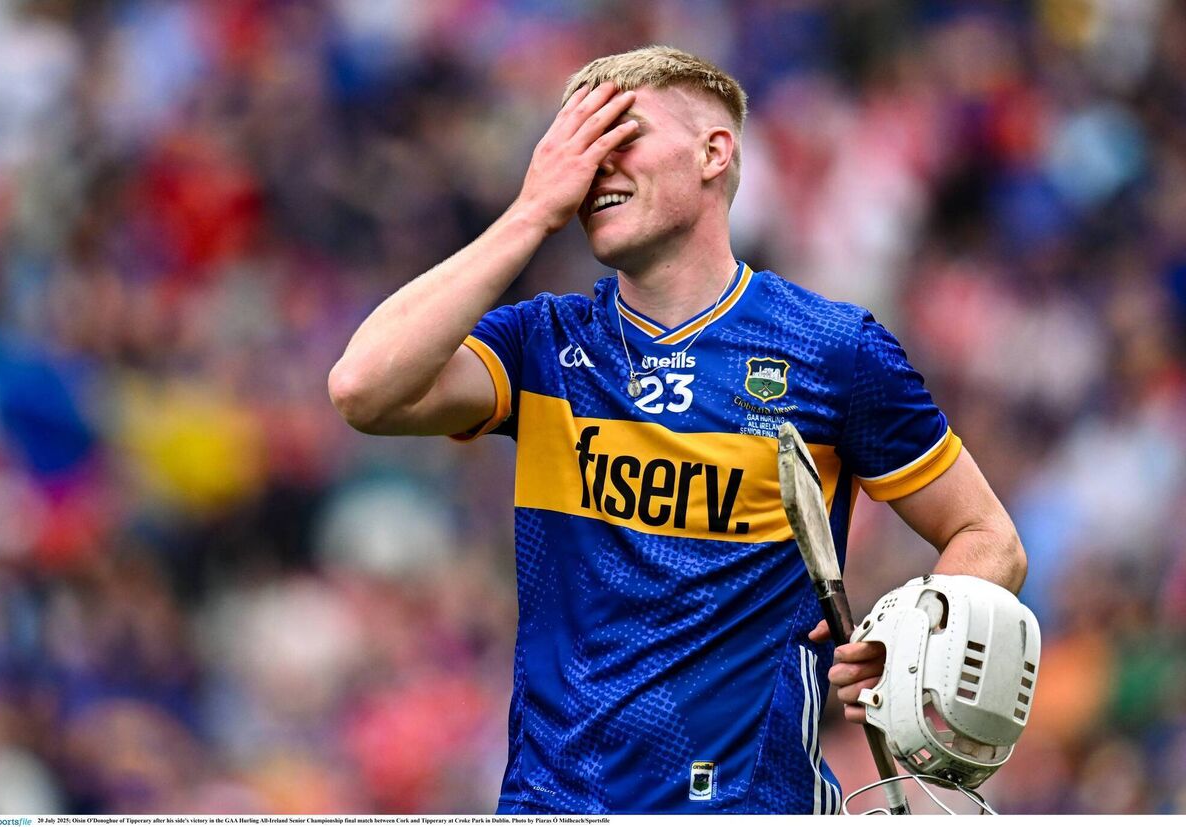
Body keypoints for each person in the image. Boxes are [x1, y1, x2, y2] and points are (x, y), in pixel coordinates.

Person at [328, 45, 1026, 815]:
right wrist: (528, 213)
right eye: (572, 144)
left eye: (617, 135)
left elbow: (987, 535)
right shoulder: (544, 342)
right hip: (550, 803)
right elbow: (364, 389)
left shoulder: (834, 350)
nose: (591, 166)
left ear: (712, 152)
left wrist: (911, 642)